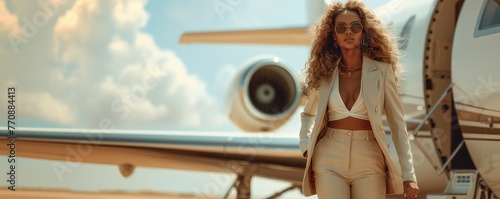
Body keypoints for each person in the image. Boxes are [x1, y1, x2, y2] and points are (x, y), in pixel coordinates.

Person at [298, 1, 419, 199]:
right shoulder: (325, 74)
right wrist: (306, 147)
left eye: (355, 26)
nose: (348, 32)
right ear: (333, 35)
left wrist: (409, 175)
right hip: (329, 156)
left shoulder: (382, 71)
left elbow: (398, 125)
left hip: (370, 158)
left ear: (364, 32)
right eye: (341, 27)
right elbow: (308, 114)